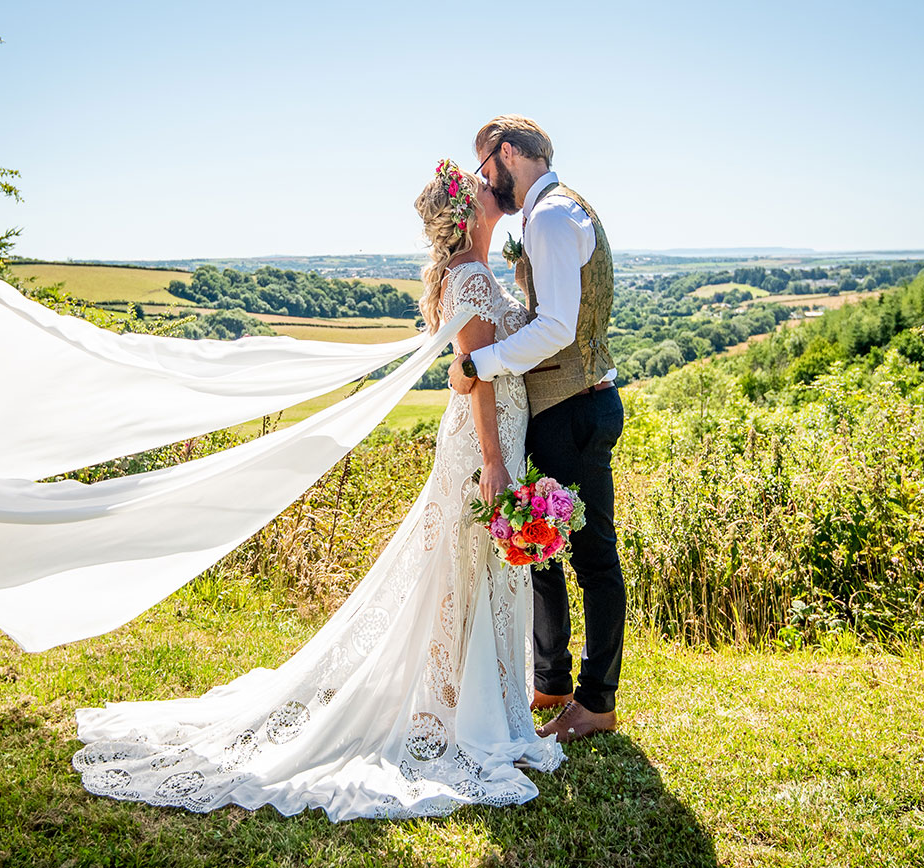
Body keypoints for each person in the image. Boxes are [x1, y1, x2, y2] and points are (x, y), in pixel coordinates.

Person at [70, 160, 564, 820]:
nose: (486, 182)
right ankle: (463, 711)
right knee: (461, 570)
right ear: (467, 213)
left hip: (488, 438)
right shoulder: (471, 277)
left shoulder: (472, 274)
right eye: (477, 184)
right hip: (484, 446)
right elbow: (473, 379)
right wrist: (498, 464)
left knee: (467, 571)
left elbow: (458, 371)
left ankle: (468, 701)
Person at [447, 115, 625, 744]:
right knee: (541, 549)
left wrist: (478, 363)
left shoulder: (548, 218)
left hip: (572, 406)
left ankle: (596, 700)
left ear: (509, 153)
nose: (482, 177)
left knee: (589, 556)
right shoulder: (563, 209)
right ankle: (551, 681)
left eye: (484, 162)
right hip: (569, 404)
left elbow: (555, 329)